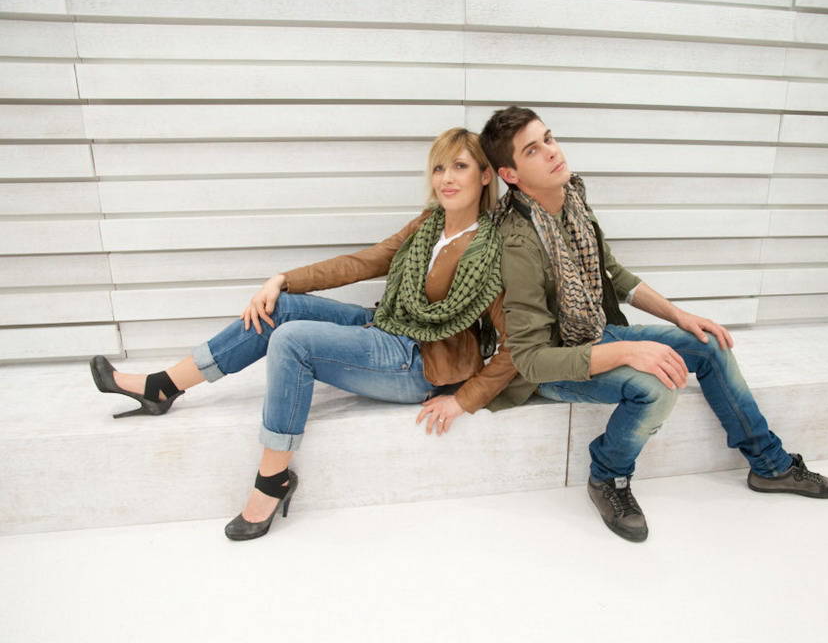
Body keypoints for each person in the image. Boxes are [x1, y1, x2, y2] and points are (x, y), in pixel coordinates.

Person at [90, 127, 516, 541]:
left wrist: (463, 399)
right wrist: (283, 279)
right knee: (282, 307)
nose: (446, 178)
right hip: (387, 325)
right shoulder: (428, 225)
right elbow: (365, 261)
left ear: (484, 176)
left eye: (459, 166)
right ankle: (163, 387)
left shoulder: (493, 251)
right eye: (439, 167)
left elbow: (515, 343)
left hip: (418, 363)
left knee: (293, 342)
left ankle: (272, 481)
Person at [478, 106, 828, 543]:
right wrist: (628, 350)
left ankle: (770, 466)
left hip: (596, 332)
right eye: (532, 151)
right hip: (556, 366)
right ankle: (608, 477)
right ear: (511, 174)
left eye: (549, 138)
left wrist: (680, 316)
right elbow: (532, 359)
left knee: (708, 344)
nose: (552, 152)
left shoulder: (571, 199)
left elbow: (613, 274)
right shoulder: (519, 243)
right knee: (656, 385)